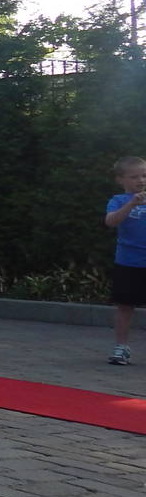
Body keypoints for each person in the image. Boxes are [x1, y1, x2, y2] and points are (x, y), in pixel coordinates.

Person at [105, 155, 146, 365]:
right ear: (120, 179)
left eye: (144, 175)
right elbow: (111, 222)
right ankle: (121, 347)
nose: (141, 180)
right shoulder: (118, 201)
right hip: (129, 263)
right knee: (125, 307)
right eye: (134, 177)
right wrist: (131, 204)